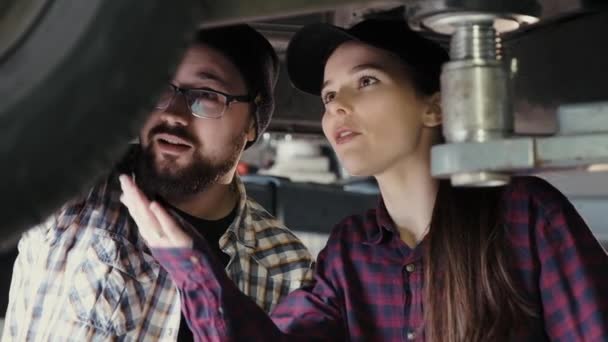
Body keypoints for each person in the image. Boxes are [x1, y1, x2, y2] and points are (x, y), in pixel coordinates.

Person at [119, 19, 608, 341]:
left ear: (434, 104)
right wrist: (191, 267)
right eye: (330, 96)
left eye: (366, 81)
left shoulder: (525, 217)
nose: (338, 108)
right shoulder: (351, 253)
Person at [3, 25, 313, 341]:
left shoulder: (287, 266)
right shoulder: (78, 188)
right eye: (159, 88)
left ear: (252, 122)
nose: (173, 113)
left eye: (206, 95)